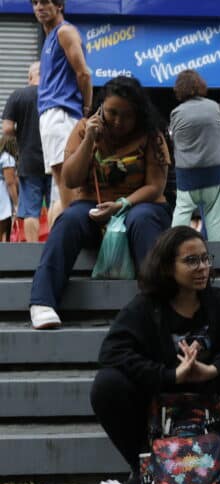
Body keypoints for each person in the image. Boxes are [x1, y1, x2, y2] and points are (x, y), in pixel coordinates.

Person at [90, 226, 220, 484]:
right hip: (161, 400)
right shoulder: (145, 306)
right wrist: (170, 375)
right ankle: (143, 468)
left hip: (211, 395)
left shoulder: (217, 301)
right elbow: (111, 352)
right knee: (107, 383)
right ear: (167, 267)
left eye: (205, 258)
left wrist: (214, 369)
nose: (202, 267)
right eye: (191, 260)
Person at [28, 76, 172, 329]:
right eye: (112, 113)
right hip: (92, 207)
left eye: (127, 115)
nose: (118, 122)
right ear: (100, 108)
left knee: (142, 218)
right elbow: (71, 180)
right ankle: (42, 302)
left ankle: (157, 303)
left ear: (138, 113)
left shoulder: (151, 135)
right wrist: (89, 141)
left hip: (141, 206)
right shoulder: (85, 128)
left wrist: (122, 205)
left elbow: (155, 186)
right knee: (69, 220)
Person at [32, 0, 92, 225]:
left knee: (69, 184)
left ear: (59, 5)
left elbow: (84, 74)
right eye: (35, 2)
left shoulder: (65, 31)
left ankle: (73, 237)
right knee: (60, 187)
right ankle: (59, 238)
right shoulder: (49, 37)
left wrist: (85, 109)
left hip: (63, 113)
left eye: (45, 1)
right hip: (51, 115)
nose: (39, 6)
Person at [169, 70, 220, 241]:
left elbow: (175, 140)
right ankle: (217, 261)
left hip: (187, 175)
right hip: (216, 174)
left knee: (181, 214)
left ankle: (174, 251)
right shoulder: (214, 107)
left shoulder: (176, 112)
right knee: (217, 220)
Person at [3, 62, 49, 242]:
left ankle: (33, 250)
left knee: (31, 210)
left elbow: (6, 129)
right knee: (55, 203)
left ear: (30, 77)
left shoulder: (18, 95)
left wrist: (20, 133)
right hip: (54, 159)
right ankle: (54, 247)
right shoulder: (53, 95)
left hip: (29, 161)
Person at [0, 136, 17, 241]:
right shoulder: (7, 158)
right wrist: (16, 203)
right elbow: (10, 182)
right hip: (2, 193)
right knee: (4, 223)